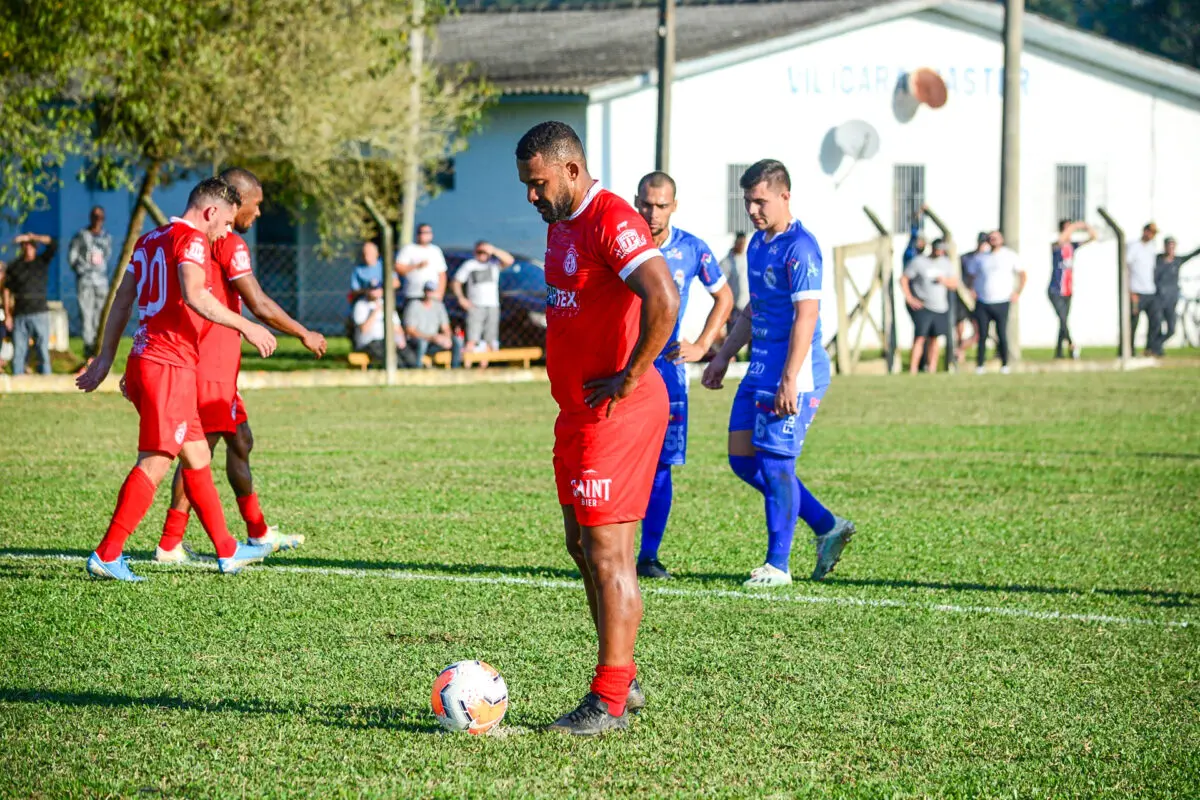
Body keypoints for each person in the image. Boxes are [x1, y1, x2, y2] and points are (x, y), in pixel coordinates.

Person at [516, 121, 678, 735]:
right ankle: (624, 676)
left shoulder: (611, 219)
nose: (530, 196)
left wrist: (632, 376)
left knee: (609, 553)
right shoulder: (562, 224)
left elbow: (662, 298)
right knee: (580, 547)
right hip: (576, 415)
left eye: (537, 184)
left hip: (618, 412)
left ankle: (610, 697)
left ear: (572, 172)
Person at [75, 177, 279, 581]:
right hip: (167, 364)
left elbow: (122, 300)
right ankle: (108, 552)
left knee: (198, 455)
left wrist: (106, 359)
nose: (227, 230)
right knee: (156, 460)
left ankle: (226, 549)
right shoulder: (194, 239)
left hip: (151, 360)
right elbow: (195, 295)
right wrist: (248, 326)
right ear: (210, 213)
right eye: (225, 222)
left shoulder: (150, 239)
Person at [153, 168, 329, 565]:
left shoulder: (204, 239)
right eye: (257, 203)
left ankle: (259, 531)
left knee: (241, 439)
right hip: (212, 363)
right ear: (238, 199)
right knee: (201, 450)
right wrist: (303, 333)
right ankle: (170, 542)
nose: (259, 212)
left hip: (218, 361)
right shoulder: (229, 244)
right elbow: (259, 303)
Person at [702, 158, 855, 589]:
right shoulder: (758, 244)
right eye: (748, 202)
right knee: (742, 459)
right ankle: (827, 525)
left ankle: (777, 565)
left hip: (795, 370)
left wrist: (790, 378)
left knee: (774, 464)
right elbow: (756, 309)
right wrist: (723, 356)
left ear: (785, 196)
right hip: (760, 368)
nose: (753, 210)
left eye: (760, 201)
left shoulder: (801, 247)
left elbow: (807, 314)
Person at [631, 171, 733, 579]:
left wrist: (704, 345)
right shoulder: (621, 244)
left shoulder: (692, 248)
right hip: (622, 368)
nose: (652, 213)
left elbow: (724, 296)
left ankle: (648, 556)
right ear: (634, 200)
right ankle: (608, 549)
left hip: (668, 372)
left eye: (660, 205)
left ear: (674, 206)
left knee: (661, 465)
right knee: (614, 461)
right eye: (645, 204)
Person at [966, 230, 1025, 374]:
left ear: (1001, 239)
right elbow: (971, 276)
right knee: (982, 335)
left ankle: (1005, 364)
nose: (993, 240)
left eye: (996, 238)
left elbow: (1022, 274)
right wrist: (972, 289)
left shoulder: (1009, 255)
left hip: (1002, 301)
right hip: (983, 301)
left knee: (1002, 334)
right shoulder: (981, 258)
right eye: (991, 238)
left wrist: (1017, 292)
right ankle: (980, 365)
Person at [901, 238, 958, 374]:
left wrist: (944, 281)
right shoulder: (918, 262)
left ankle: (932, 368)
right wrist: (910, 298)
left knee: (935, 339)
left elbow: (954, 283)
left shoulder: (946, 264)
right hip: (923, 306)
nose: (939, 251)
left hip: (940, 307)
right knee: (920, 337)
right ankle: (913, 369)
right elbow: (904, 279)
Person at [5, 232, 57, 375]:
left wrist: (33, 237)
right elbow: (7, 291)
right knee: (19, 352)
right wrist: (8, 314)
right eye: (25, 245)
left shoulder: (41, 262)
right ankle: (17, 381)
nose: (28, 247)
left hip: (39, 312)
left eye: (31, 245)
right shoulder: (15, 266)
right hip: (20, 314)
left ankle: (46, 381)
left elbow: (53, 243)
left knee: (42, 351)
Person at [451, 240, 515, 356]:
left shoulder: (494, 264)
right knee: (472, 338)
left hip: (492, 305)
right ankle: (467, 365)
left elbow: (510, 260)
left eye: (484, 252)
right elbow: (456, 282)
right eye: (479, 251)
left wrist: (493, 250)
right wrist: (461, 298)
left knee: (490, 340)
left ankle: (485, 367)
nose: (482, 254)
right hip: (475, 306)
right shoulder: (470, 265)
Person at [1048, 219, 1098, 359]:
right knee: (1063, 320)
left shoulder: (1072, 246)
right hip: (1055, 290)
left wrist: (1086, 226)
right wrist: (1074, 227)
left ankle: (1059, 353)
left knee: (1063, 321)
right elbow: (1061, 239)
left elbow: (1093, 237)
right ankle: (1072, 345)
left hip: (1068, 291)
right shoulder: (1056, 246)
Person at [68, 206, 114, 359]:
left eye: (100, 217)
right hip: (86, 280)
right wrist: (82, 271)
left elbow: (107, 256)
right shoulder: (81, 236)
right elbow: (72, 258)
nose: (97, 220)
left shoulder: (106, 237)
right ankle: (88, 349)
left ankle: (100, 346)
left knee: (101, 314)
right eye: (95, 216)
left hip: (101, 281)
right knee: (86, 314)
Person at [1152, 236, 1200, 354]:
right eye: (1169, 246)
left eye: (1173, 247)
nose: (1171, 249)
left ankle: (1156, 345)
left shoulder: (1177, 261)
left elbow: (1192, 255)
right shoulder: (1157, 259)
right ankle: (1155, 349)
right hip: (1158, 298)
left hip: (1171, 300)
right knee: (1156, 326)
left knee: (1171, 329)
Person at [352, 278, 415, 367]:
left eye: (377, 289)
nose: (374, 292)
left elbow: (398, 328)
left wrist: (400, 340)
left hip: (387, 340)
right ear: (367, 291)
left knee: (410, 359)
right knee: (396, 362)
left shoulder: (386, 304)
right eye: (372, 289)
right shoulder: (361, 305)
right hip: (369, 343)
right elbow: (364, 329)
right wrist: (375, 312)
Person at [403, 280, 460, 367]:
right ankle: (417, 369)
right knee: (422, 343)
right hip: (418, 340)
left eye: (431, 290)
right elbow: (410, 330)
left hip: (434, 341)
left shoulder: (439, 305)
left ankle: (455, 370)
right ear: (424, 291)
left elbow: (445, 327)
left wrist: (446, 338)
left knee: (456, 341)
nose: (429, 293)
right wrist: (431, 338)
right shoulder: (414, 305)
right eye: (427, 290)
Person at [1125, 222, 1160, 356]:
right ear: (1145, 231)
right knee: (1133, 323)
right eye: (1150, 232)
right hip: (1136, 291)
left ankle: (1149, 348)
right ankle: (1129, 351)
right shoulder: (1134, 247)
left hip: (1150, 291)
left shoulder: (1151, 248)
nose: (1152, 236)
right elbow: (1126, 269)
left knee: (1155, 321)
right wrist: (1129, 290)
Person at [955, 232, 990, 363]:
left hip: (981, 300)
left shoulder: (989, 258)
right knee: (960, 326)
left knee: (979, 332)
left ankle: (959, 350)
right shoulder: (966, 258)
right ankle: (959, 354)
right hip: (965, 299)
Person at [395, 223, 447, 306]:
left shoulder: (436, 251)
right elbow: (399, 268)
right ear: (417, 234)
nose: (423, 235)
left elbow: (442, 274)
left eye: (427, 232)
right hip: (413, 294)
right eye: (421, 232)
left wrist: (440, 293)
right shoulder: (409, 249)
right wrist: (416, 266)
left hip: (432, 296)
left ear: (431, 235)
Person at [720, 232, 749, 337]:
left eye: (744, 243)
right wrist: (726, 309)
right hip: (734, 308)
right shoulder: (726, 262)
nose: (742, 246)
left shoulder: (748, 259)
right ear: (735, 243)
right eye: (740, 243)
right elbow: (722, 288)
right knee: (733, 336)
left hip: (749, 305)